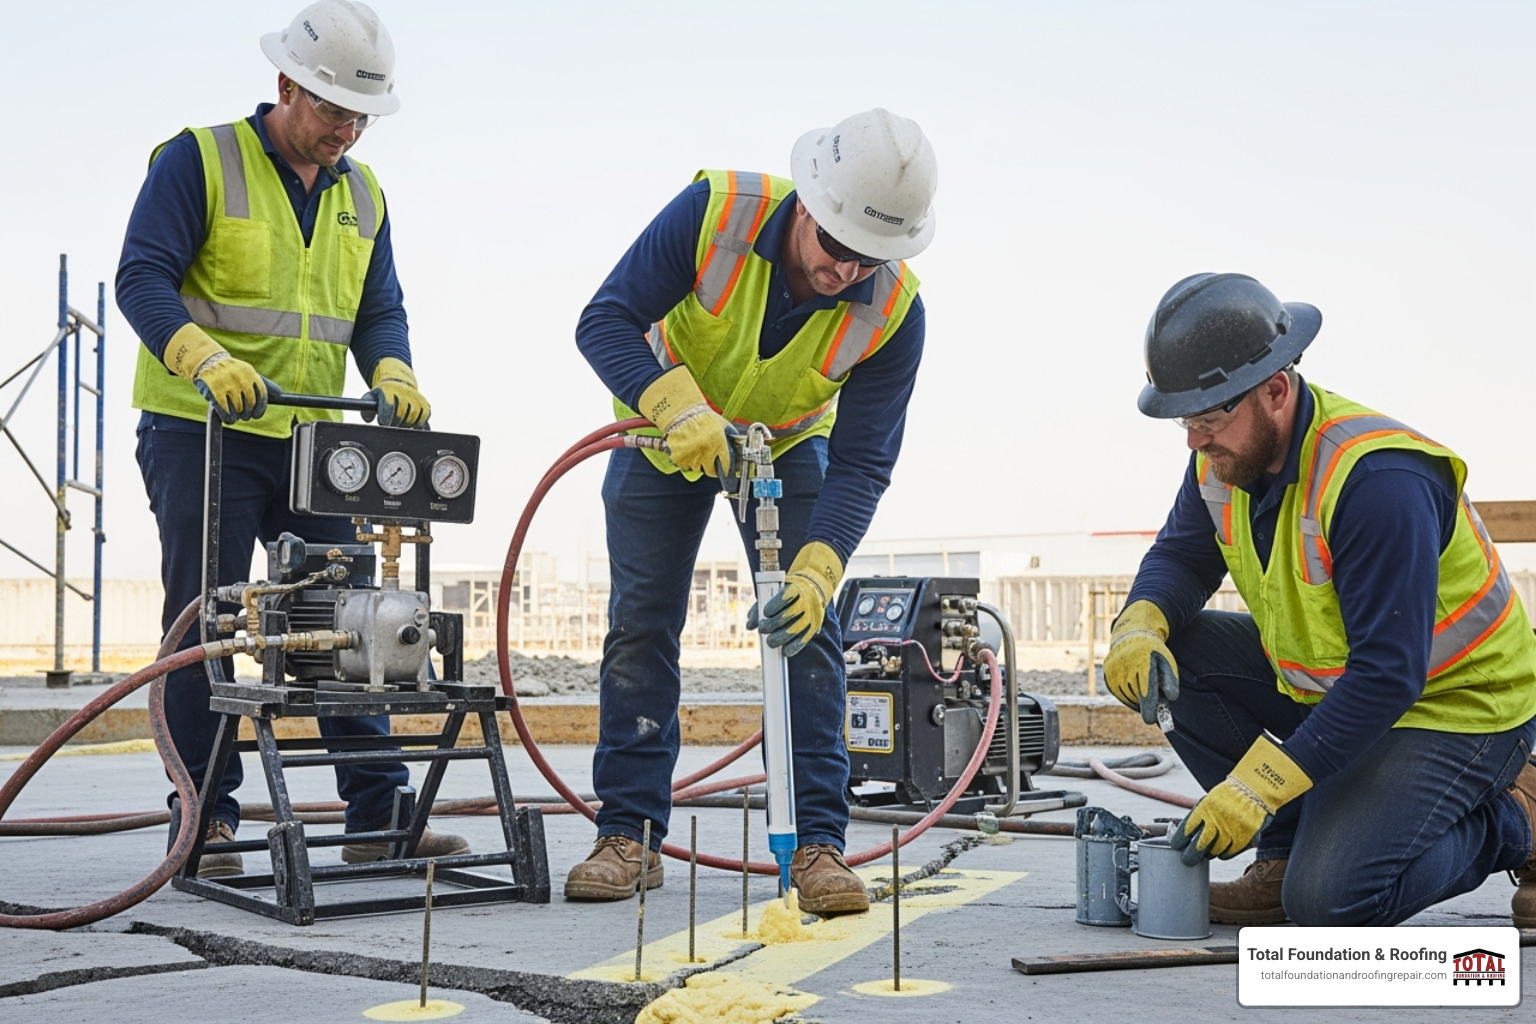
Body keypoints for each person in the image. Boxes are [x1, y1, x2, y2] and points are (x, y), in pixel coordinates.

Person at [117, 0, 465, 877]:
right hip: (205, 429)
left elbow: (378, 309)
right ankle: (205, 816)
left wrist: (393, 372)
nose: (346, 130)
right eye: (333, 110)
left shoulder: (363, 192)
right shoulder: (199, 159)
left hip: (317, 442)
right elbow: (141, 277)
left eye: (361, 116)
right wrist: (199, 356)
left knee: (347, 619)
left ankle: (377, 817)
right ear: (285, 85)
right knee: (211, 619)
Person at [569, 109, 938, 913]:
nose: (847, 273)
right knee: (641, 623)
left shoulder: (897, 311)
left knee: (808, 629)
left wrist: (820, 566)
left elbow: (868, 458)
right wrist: (673, 406)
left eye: (870, 259)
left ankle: (818, 846)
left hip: (791, 444)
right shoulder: (716, 212)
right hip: (666, 435)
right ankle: (628, 831)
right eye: (838, 248)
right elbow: (603, 320)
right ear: (807, 204)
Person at [1103, 272, 1536, 928]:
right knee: (1179, 650)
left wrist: (1257, 787)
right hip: (1337, 693)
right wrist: (1139, 624)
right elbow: (1182, 557)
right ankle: (1283, 853)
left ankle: (1519, 815)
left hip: (1456, 710)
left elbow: (1388, 676)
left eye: (1210, 416)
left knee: (1332, 902)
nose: (1195, 439)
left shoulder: (1376, 482)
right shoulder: (1226, 458)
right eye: (1186, 419)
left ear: (1276, 389)